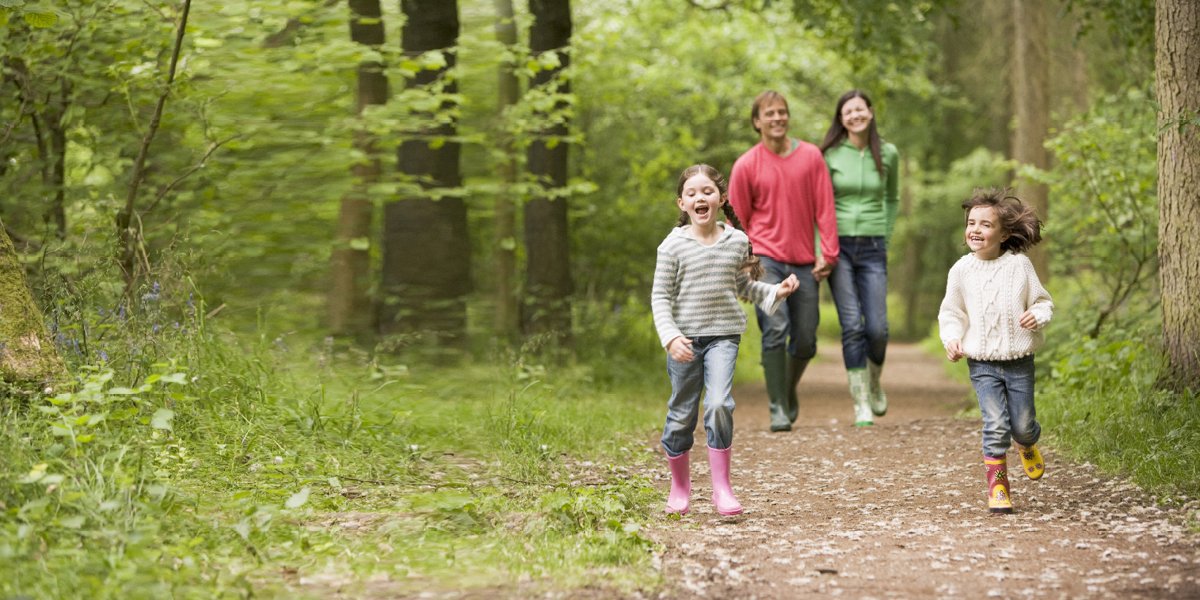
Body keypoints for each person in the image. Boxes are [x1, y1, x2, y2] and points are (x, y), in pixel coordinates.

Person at [651, 164, 799, 516]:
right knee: (681, 415)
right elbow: (660, 297)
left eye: (707, 191)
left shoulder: (736, 241)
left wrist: (776, 291)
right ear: (681, 203)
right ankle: (680, 487)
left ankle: (722, 488)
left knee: (719, 404)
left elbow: (743, 286)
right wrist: (670, 337)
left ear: (720, 198)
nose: (700, 197)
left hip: (723, 337)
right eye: (692, 193)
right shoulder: (672, 246)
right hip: (684, 341)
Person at [729, 90, 839, 432]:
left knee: (806, 337)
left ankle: (786, 389)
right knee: (776, 329)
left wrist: (829, 253)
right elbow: (737, 220)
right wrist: (744, 264)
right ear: (757, 122)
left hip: (805, 260)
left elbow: (825, 206)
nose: (777, 118)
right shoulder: (747, 164)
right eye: (769, 113)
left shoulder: (810, 156)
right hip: (766, 260)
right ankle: (777, 406)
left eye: (782, 112)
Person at [938, 188, 1053, 514]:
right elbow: (952, 312)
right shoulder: (961, 270)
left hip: (1019, 361)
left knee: (1022, 425)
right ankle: (998, 485)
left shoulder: (1019, 266)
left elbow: (1043, 301)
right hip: (982, 362)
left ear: (1004, 233)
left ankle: (1027, 443)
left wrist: (1037, 316)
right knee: (995, 424)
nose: (975, 229)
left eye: (985, 224)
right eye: (971, 222)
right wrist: (952, 338)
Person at [818, 90, 900, 427]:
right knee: (852, 325)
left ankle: (874, 381)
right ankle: (861, 402)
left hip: (873, 246)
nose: (854, 115)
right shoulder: (831, 155)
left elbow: (892, 198)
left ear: (870, 112)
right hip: (839, 248)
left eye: (859, 109)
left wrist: (886, 233)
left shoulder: (889, 153)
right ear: (841, 119)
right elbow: (820, 204)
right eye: (847, 112)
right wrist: (821, 248)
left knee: (877, 328)